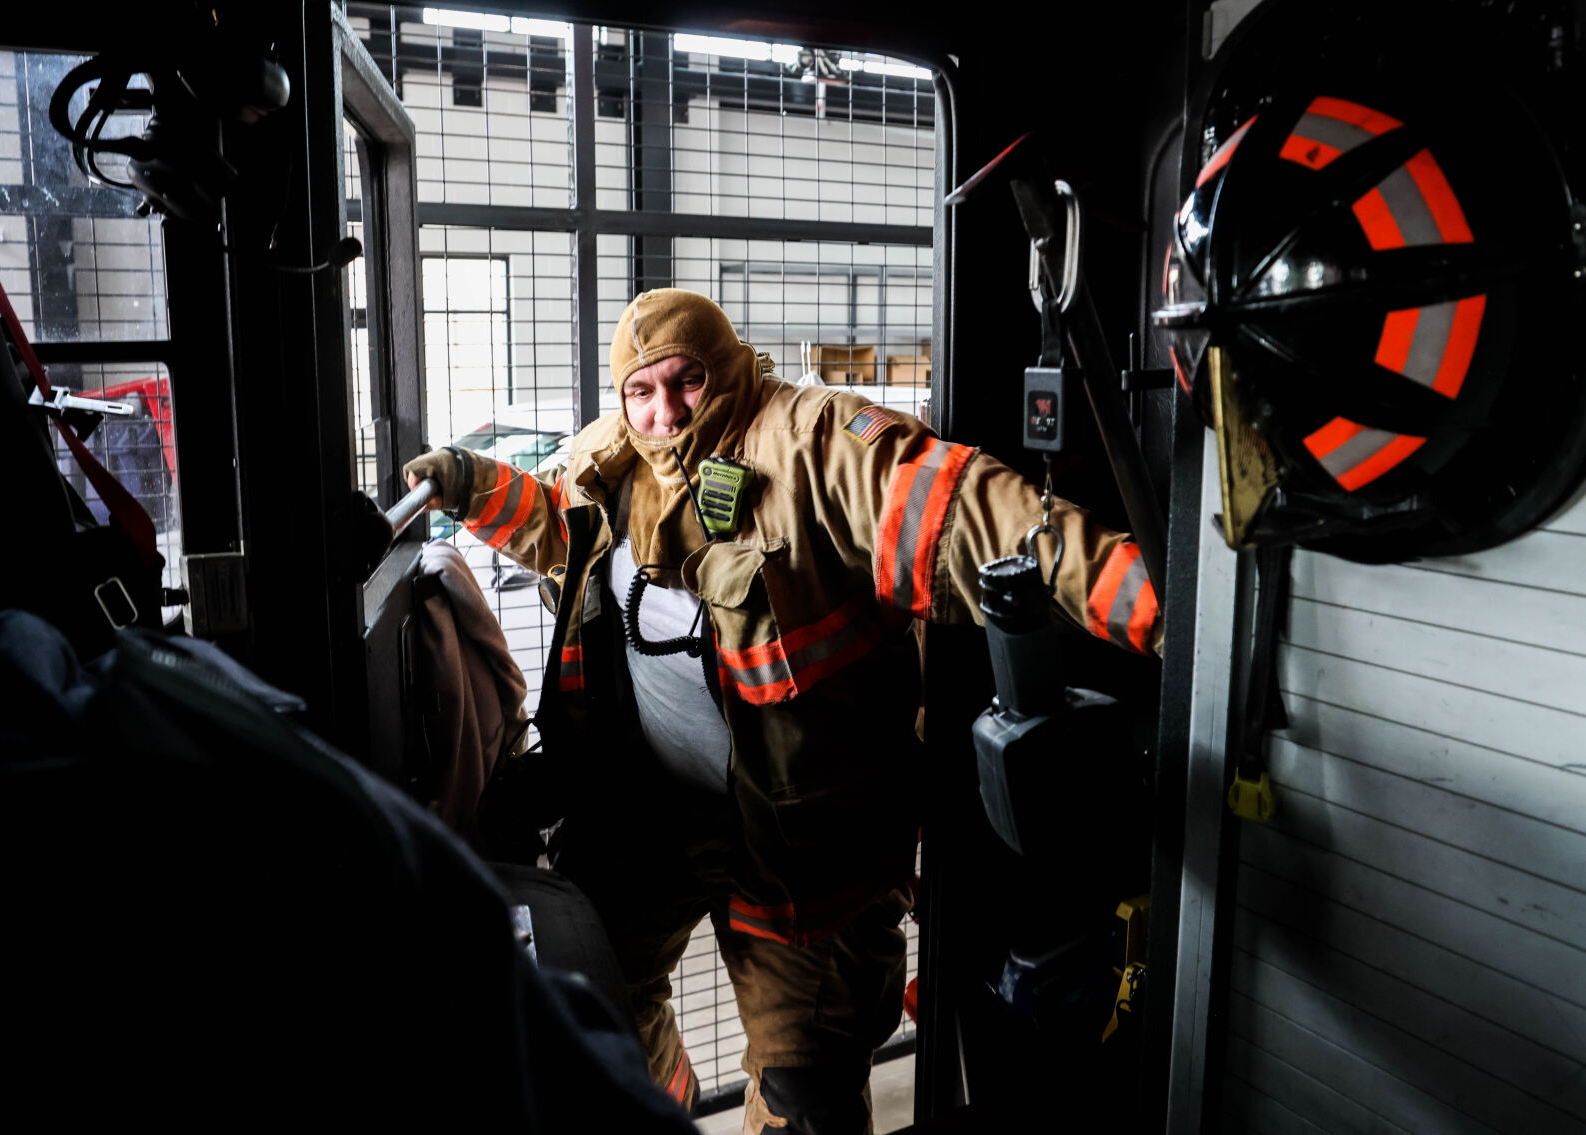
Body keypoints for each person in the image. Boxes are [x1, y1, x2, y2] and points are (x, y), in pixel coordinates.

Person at [402, 288, 1161, 1134]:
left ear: (726, 364)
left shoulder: (811, 442)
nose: (665, 412)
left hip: (800, 850)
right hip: (644, 817)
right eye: (640, 392)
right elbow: (556, 523)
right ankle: (662, 1111)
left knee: (806, 1096)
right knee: (589, 998)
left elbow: (972, 515)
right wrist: (467, 485)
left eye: (686, 381)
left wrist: (1161, 612)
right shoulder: (609, 459)